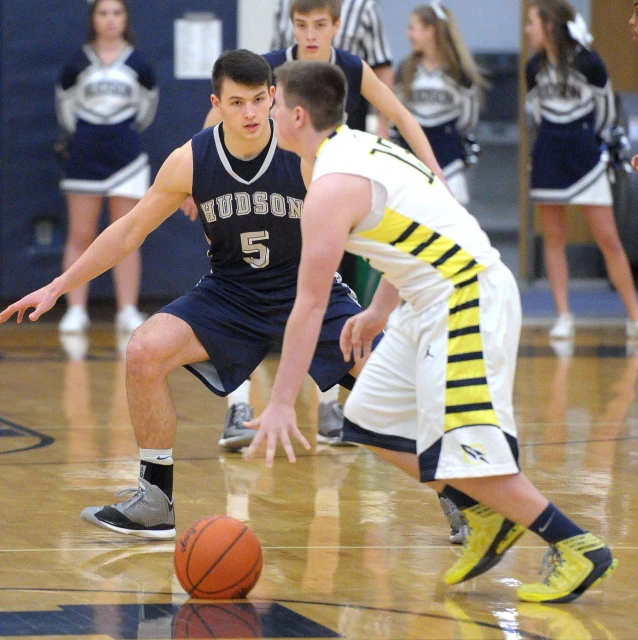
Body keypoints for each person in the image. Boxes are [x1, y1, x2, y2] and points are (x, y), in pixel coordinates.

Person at [245, 59, 617, 603]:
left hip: (464, 297)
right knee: (369, 416)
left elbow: (309, 304)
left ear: (298, 115)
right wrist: (376, 311)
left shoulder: (332, 183)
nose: (269, 112)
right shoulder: (357, 148)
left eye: (273, 103)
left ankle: (577, 545)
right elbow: (411, 232)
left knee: (470, 451)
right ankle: (480, 514)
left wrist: (280, 402)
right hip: (425, 299)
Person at [0, 50, 381, 540]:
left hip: (309, 293)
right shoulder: (190, 160)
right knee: (144, 350)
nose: (249, 113)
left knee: (391, 385)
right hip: (231, 295)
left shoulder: (306, 156)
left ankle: (459, 495)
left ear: (274, 99)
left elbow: (370, 229)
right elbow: (129, 230)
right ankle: (155, 500)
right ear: (215, 103)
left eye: (259, 100)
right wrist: (57, 286)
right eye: (237, 101)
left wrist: (388, 301)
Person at [525, 0, 638, 340]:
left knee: (608, 239)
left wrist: (594, 144)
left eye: (533, 23)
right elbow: (534, 113)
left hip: (586, 159)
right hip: (549, 157)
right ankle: (564, 316)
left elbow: (606, 111)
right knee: (554, 238)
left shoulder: (590, 62)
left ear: (550, 25)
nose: (529, 30)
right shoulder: (533, 68)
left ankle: (634, 314)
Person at [55, 0, 158, 334]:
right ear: (93, 18)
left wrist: (119, 133)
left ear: (125, 18)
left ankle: (127, 309)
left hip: (127, 157)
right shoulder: (76, 64)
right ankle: (75, 309)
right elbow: (65, 110)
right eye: (103, 13)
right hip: (84, 156)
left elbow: (146, 111)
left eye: (117, 13)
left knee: (126, 236)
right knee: (80, 234)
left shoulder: (140, 64)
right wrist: (88, 135)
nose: (110, 20)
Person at [393, 2, 487, 205]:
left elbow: (468, 121)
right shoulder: (406, 69)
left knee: (449, 226)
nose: (408, 35)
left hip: (450, 160)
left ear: (430, 31)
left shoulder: (458, 72)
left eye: (412, 28)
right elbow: (396, 115)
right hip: (411, 160)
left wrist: (448, 133)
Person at [270, 0, 394, 136]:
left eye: (320, 25)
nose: (310, 36)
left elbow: (382, 66)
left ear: (336, 25)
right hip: (291, 92)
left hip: (346, 102)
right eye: (301, 25)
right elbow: (276, 51)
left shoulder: (363, 6)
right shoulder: (284, 4)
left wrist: (383, 127)